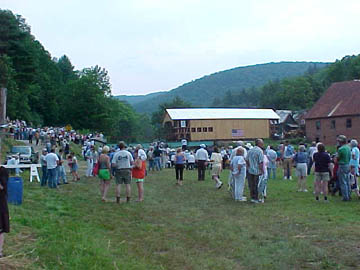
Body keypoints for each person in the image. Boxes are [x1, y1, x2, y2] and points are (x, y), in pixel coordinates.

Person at [246, 139, 264, 203]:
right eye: (262, 143)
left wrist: (248, 166)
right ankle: (256, 198)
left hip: (250, 170)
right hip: (257, 170)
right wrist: (262, 170)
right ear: (259, 144)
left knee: (251, 184)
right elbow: (261, 162)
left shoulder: (250, 150)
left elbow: (247, 160)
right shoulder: (260, 151)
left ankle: (252, 197)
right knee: (256, 185)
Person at [336, 135, 351, 201]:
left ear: (340, 141)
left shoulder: (340, 149)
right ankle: (349, 194)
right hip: (348, 164)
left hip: (342, 165)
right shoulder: (348, 147)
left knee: (343, 182)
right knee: (347, 181)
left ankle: (345, 197)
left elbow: (336, 160)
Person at [0, 167, 10, 258]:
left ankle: (0, 251)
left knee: (1, 229)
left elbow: (3, 187)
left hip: (0, 204)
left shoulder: (3, 171)